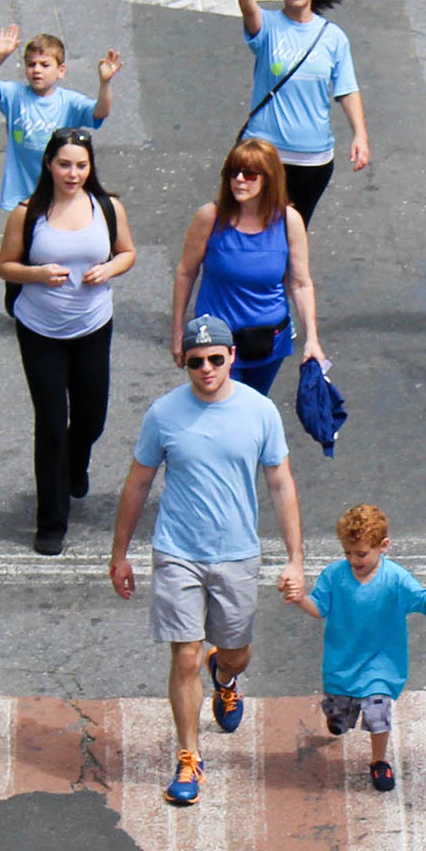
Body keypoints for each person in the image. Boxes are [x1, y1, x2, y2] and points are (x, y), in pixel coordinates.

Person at [110, 314, 305, 807]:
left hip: (237, 553)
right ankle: (188, 756)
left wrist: (295, 559)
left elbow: (281, 484)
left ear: (232, 357)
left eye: (215, 358)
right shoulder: (164, 414)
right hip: (178, 551)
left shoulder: (260, 412)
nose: (206, 369)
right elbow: (138, 483)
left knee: (235, 650)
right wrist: (120, 553)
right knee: (185, 655)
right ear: (186, 364)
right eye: (195, 362)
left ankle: (227, 676)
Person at [0, 129, 136, 556]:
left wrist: (109, 269)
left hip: (93, 325)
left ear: (90, 167)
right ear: (49, 165)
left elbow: (127, 252)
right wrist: (37, 274)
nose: (72, 174)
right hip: (40, 330)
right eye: (64, 165)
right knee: (52, 424)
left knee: (91, 418)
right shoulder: (27, 213)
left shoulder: (107, 207)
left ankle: (76, 466)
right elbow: (5, 266)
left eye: (80, 165)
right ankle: (51, 522)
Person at [206, 0, 370, 226]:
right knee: (251, 227)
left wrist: (360, 134)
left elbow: (347, 89)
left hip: (313, 159)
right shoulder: (268, 26)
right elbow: (248, 8)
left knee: (293, 232)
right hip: (263, 153)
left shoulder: (333, 37)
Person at [170, 138, 325, 396]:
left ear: (269, 179)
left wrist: (312, 338)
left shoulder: (289, 221)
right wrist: (178, 335)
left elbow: (300, 283)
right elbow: (186, 273)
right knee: (223, 409)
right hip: (217, 345)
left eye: (250, 174)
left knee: (254, 407)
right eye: (234, 172)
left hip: (268, 342)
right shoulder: (210, 217)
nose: (239, 180)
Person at [294, 504, 426, 793]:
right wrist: (300, 599)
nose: (353, 560)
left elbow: (420, 599)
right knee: (339, 715)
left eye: (361, 554)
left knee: (378, 713)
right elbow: (319, 607)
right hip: (342, 665)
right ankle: (337, 717)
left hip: (382, 664)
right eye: (348, 553)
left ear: (383, 546)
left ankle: (379, 761)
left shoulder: (396, 577)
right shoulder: (334, 576)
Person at [0, 26, 123, 211]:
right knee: (22, 230)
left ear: (61, 70)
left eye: (45, 65)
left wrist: (105, 83)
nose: (37, 70)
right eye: (32, 64)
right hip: (21, 194)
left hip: (58, 193)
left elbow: (100, 112)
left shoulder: (69, 102)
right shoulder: (14, 95)